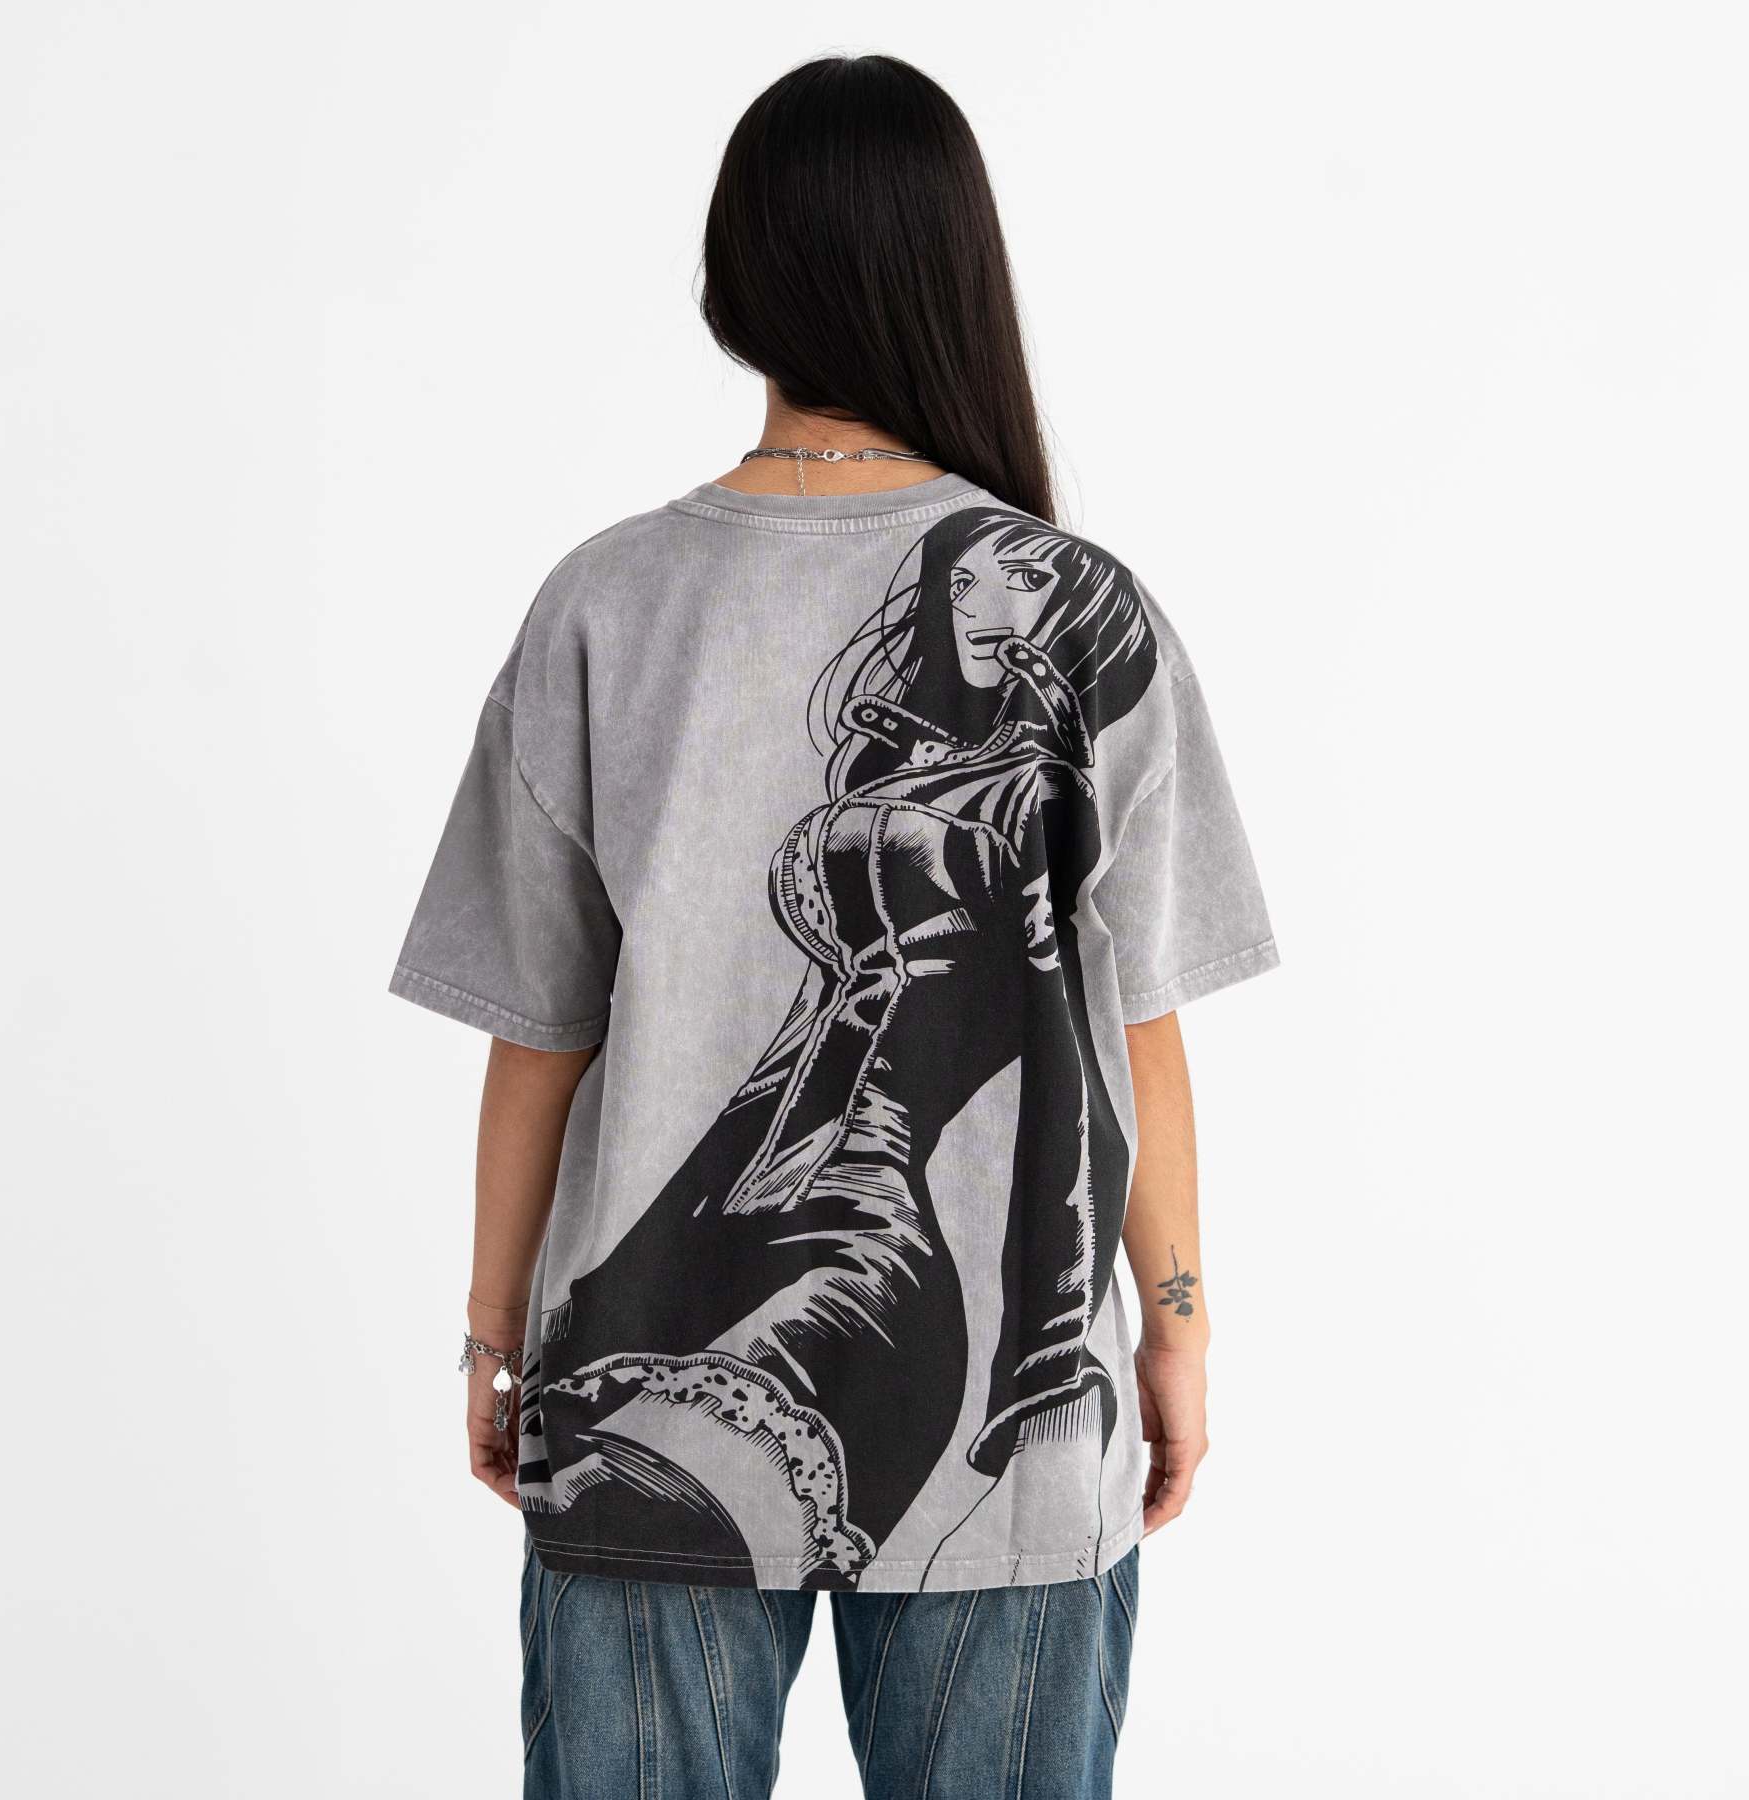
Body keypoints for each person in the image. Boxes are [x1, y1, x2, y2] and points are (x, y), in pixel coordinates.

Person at [390, 52, 1277, 1800]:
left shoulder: (609, 604)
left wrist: (496, 1337)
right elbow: (1141, 1033)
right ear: (960, 274)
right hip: (959, 1386)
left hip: (661, 1327)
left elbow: (540, 1037)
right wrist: (1174, 1329)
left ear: (732, 280)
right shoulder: (1088, 602)